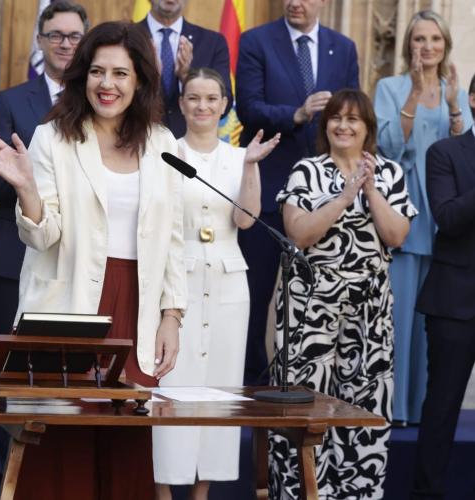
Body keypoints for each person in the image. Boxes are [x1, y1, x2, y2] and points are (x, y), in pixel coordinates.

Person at [0, 21, 186, 500]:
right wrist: (26, 189)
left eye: (120, 73)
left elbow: (172, 238)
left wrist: (172, 316)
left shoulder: (162, 143)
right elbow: (43, 234)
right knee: (61, 442)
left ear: (140, 80)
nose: (107, 84)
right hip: (69, 301)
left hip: (136, 305)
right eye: (97, 72)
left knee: (126, 444)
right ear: (82, 75)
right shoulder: (52, 137)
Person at [270, 89, 416, 499]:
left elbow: (397, 235)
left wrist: (370, 190)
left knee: (366, 405)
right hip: (311, 305)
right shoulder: (307, 170)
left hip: (370, 307)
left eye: (353, 119)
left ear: (368, 128)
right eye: (336, 118)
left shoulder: (389, 173)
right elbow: (299, 234)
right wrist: (346, 196)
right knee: (303, 407)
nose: (343, 126)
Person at [152, 68, 279, 500]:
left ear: (225, 105)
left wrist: (251, 166)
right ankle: (164, 491)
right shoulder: (165, 152)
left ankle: (201, 492)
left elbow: (245, 220)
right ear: (181, 103)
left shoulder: (239, 156)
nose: (203, 106)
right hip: (177, 280)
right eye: (194, 98)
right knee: (170, 385)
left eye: (211, 98)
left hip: (227, 281)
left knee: (218, 386)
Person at [235, 0, 359, 385]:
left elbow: (353, 113)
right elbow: (247, 109)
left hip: (325, 196)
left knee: (320, 299)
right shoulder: (256, 41)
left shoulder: (344, 47)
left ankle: (306, 385)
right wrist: (297, 114)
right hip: (267, 192)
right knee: (255, 298)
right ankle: (251, 386)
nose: (295, 2)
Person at [374, 9, 473, 427]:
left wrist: (453, 107)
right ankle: (395, 408)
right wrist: (414, 95)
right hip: (404, 210)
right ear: (407, 45)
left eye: (434, 39)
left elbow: (465, 153)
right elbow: (387, 148)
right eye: (419, 39)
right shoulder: (390, 87)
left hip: (449, 218)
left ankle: (422, 409)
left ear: (445, 45)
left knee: (441, 322)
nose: (427, 46)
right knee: (401, 319)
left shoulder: (457, 91)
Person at [0, 0, 89, 345]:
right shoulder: (11, 101)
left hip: (81, 255)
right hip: (16, 252)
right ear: (40, 40)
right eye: (55, 35)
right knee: (9, 360)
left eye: (74, 36)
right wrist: (25, 175)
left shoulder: (100, 103)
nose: (65, 44)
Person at [412, 73, 475, 500]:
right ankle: (426, 494)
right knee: (442, 407)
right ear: (473, 99)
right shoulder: (445, 152)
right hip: (456, 301)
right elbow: (448, 218)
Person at [138, 0, 232, 138]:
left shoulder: (213, 42)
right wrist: (152, 76)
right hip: (141, 137)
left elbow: (225, 102)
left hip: (192, 143)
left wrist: (186, 77)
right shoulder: (129, 38)